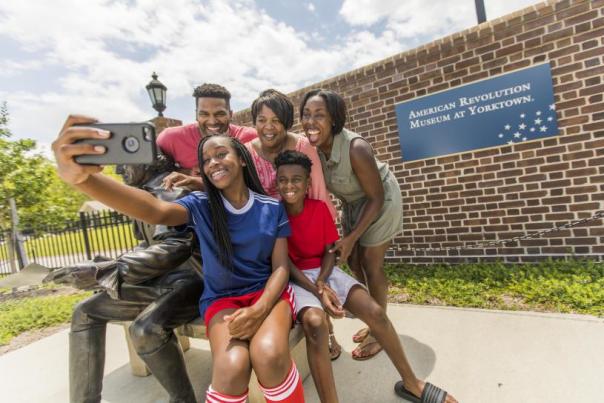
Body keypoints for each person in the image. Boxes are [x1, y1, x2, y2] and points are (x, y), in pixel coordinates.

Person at [52, 121, 305, 403]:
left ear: (242, 160)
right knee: (232, 367)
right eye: (206, 160)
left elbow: (281, 267)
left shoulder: (271, 207)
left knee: (268, 355)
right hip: (223, 300)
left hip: (269, 296)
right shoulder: (200, 205)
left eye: (221, 154)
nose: (213, 163)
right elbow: (155, 210)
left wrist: (259, 310)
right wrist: (85, 180)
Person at [275, 151, 457, 403]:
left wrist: (323, 281)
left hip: (324, 272)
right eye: (282, 180)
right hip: (297, 279)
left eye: (296, 179)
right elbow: (284, 263)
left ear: (308, 183)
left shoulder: (318, 209)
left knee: (376, 313)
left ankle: (412, 383)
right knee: (315, 325)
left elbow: (330, 250)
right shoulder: (275, 213)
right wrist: (317, 289)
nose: (288, 185)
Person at [44, 150, 203, 403]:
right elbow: (144, 246)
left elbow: (176, 247)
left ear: (150, 161)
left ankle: (183, 400)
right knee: (84, 311)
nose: (119, 171)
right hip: (160, 282)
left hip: (190, 283)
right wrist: (105, 265)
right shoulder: (142, 193)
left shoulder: (170, 189)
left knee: (145, 329)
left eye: (124, 164)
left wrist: (112, 271)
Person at [299, 89, 403, 361]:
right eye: (306, 114)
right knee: (354, 262)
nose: (311, 121)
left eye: (319, 115)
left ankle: (381, 330)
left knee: (370, 261)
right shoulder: (312, 149)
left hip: (380, 199)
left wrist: (353, 236)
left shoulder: (355, 148)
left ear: (334, 120)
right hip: (354, 204)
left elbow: (377, 196)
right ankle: (373, 318)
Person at [245, 89, 336, 219]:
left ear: (286, 123)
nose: (268, 126)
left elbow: (317, 193)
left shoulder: (304, 146)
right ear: (255, 122)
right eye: (262, 120)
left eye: (276, 120)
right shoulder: (246, 154)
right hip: (268, 230)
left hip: (304, 224)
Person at [159, 83, 257, 191]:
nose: (212, 121)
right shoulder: (171, 138)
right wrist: (185, 171)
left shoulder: (250, 138)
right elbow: (156, 171)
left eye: (219, 114)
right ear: (196, 115)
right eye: (204, 114)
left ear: (230, 114)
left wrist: (196, 180)